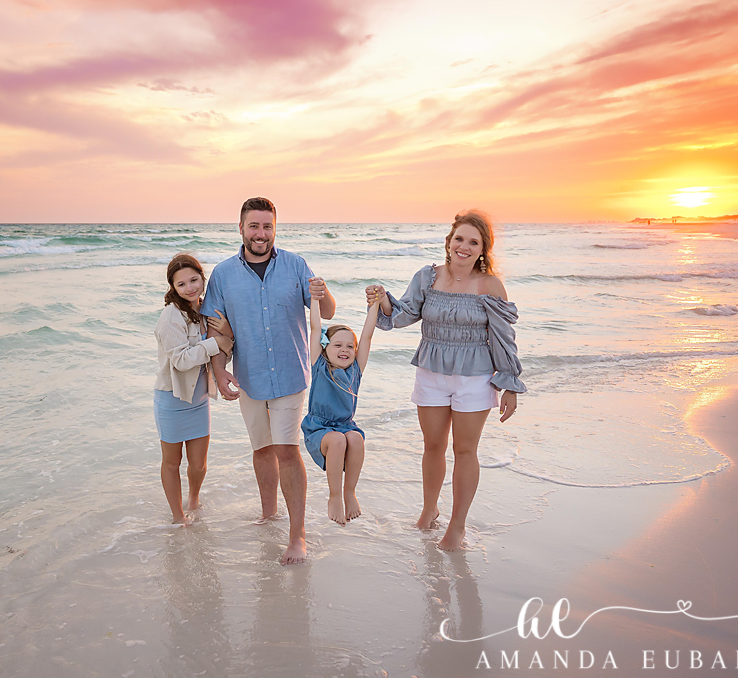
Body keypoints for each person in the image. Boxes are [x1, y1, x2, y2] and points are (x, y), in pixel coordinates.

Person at [365, 210, 525, 549]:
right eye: (459, 239)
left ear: (483, 249)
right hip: (431, 372)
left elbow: (503, 337)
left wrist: (510, 383)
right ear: (448, 242)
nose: (464, 247)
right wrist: (382, 299)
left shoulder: (490, 285)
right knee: (432, 447)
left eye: (473, 242)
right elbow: (403, 314)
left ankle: (457, 526)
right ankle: (429, 510)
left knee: (465, 450)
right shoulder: (428, 277)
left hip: (475, 378)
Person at [202, 197, 336, 564]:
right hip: (249, 376)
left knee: (287, 451)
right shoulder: (223, 274)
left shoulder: (295, 265)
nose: (261, 234)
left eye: (267, 226)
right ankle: (268, 513)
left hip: (292, 374)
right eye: (254, 226)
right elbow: (213, 328)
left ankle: (298, 536)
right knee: (261, 449)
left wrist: (325, 295)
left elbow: (324, 311)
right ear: (241, 228)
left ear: (275, 228)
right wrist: (218, 371)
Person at [154, 253, 233, 524]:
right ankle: (178, 517)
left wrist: (226, 334)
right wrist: (216, 343)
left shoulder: (207, 310)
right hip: (172, 399)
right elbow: (181, 360)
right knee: (172, 462)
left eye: (194, 280)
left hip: (199, 398)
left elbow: (227, 347)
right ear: (173, 288)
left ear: (202, 278)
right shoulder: (170, 317)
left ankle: (194, 500)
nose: (190, 288)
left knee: (198, 464)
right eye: (182, 284)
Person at [302, 297, 380, 526]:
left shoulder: (356, 369)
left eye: (349, 346)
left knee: (355, 439)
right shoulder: (319, 364)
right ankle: (334, 496)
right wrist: (314, 298)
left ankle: (349, 492)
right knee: (337, 441)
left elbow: (367, 335)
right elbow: (315, 327)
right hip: (319, 429)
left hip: (347, 426)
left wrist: (375, 303)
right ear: (325, 348)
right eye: (337, 345)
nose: (344, 350)